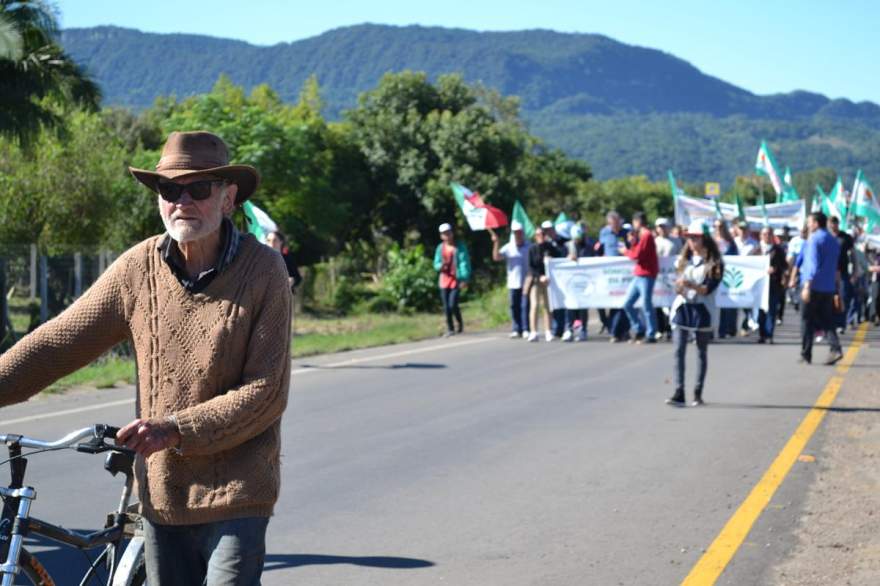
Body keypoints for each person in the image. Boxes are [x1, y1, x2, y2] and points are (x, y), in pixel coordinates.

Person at [0, 131, 291, 584]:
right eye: (170, 189)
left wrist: (175, 429)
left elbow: (265, 392)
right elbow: (57, 343)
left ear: (228, 197)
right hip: (162, 495)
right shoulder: (138, 269)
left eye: (198, 189)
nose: (182, 201)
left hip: (238, 495)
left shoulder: (265, 270)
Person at [666, 220, 725, 406]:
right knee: (678, 351)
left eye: (695, 238)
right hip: (683, 308)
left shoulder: (715, 264)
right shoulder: (683, 260)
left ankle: (697, 393)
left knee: (701, 352)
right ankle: (679, 391)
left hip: (703, 310)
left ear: (704, 239)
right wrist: (679, 287)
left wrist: (690, 285)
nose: (691, 241)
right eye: (689, 238)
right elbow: (678, 283)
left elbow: (707, 289)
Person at [799, 212, 843, 365]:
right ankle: (835, 348)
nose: (808, 225)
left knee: (807, 320)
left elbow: (812, 264)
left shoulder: (814, 239)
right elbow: (836, 265)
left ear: (816, 223)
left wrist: (806, 286)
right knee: (827, 320)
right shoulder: (833, 240)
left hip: (814, 286)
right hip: (828, 286)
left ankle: (806, 354)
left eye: (809, 222)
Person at [620, 211, 659, 343]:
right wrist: (632, 242)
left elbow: (637, 255)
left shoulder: (646, 235)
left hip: (647, 274)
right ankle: (639, 329)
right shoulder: (641, 236)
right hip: (639, 274)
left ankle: (651, 333)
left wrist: (626, 251)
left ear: (637, 222)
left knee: (646, 305)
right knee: (627, 304)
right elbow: (637, 251)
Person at [490, 221, 530, 339]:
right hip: (513, 282)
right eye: (515, 232)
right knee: (514, 306)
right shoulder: (509, 247)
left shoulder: (529, 246)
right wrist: (496, 242)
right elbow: (496, 257)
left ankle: (526, 328)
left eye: (519, 232)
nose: (517, 234)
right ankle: (516, 329)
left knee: (525, 305)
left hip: (527, 281)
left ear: (522, 232)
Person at [597, 211, 630, 341]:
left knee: (624, 302)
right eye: (612, 224)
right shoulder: (604, 233)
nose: (615, 226)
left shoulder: (626, 233)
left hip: (625, 272)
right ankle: (615, 330)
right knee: (614, 302)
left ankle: (621, 331)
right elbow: (599, 250)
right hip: (610, 273)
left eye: (617, 223)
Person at [433, 223, 470, 337]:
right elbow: (436, 263)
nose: (447, 235)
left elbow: (464, 263)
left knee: (452, 304)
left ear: (452, 233)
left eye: (448, 233)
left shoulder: (459, 247)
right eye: (444, 234)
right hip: (444, 280)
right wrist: (440, 266)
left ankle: (459, 323)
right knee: (446, 306)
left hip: (456, 280)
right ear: (441, 236)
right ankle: (450, 328)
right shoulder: (440, 248)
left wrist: (464, 278)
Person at [525, 227, 562, 342]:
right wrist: (539, 276)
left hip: (548, 281)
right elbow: (531, 267)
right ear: (535, 237)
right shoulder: (532, 249)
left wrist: (551, 259)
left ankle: (548, 331)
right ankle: (533, 331)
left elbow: (559, 256)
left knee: (547, 306)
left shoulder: (549, 247)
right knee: (534, 305)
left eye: (542, 234)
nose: (540, 236)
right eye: (537, 235)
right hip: (536, 280)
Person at [562, 223, 595, 341]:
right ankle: (569, 329)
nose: (577, 241)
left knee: (582, 307)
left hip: (584, 281)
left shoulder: (588, 246)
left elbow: (593, 260)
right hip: (570, 281)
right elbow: (559, 261)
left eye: (579, 238)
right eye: (575, 239)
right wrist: (567, 258)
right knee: (570, 306)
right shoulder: (567, 246)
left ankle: (583, 330)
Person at [757, 226, 788, 343]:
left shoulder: (778, 250)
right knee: (761, 311)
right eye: (764, 234)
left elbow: (784, 266)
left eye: (769, 234)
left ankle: (769, 335)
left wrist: (776, 269)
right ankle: (762, 334)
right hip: (759, 285)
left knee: (772, 310)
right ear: (761, 236)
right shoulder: (756, 250)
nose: (767, 236)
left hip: (773, 284)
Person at [828, 216, 858, 333]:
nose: (833, 226)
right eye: (831, 223)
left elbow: (853, 255)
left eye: (834, 223)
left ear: (838, 224)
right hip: (828, 273)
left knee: (843, 298)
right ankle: (831, 323)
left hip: (842, 273)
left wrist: (855, 271)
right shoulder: (826, 237)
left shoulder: (845, 238)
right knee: (829, 299)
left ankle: (841, 323)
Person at [541, 220, 568, 338]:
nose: (548, 232)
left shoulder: (562, 240)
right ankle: (557, 328)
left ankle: (566, 326)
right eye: (546, 230)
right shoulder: (543, 244)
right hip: (550, 278)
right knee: (554, 302)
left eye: (550, 229)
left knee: (564, 301)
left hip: (563, 275)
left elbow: (564, 254)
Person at [714, 219, 739, 338]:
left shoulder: (731, 242)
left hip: (729, 275)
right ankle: (720, 329)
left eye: (721, 226)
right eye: (716, 227)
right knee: (718, 303)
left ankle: (731, 328)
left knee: (730, 302)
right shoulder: (712, 242)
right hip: (716, 276)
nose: (718, 229)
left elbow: (736, 258)